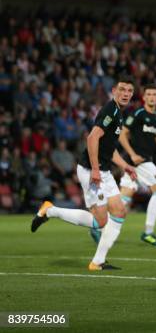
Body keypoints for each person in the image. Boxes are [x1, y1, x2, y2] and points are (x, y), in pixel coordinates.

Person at [31, 75, 137, 271]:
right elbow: (92, 138)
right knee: (99, 221)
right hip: (91, 169)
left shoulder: (118, 113)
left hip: (102, 170)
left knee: (120, 211)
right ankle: (50, 210)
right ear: (114, 90)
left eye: (129, 91)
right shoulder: (109, 111)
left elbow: (109, 147)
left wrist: (125, 165)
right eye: (122, 89)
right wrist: (95, 169)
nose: (126, 94)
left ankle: (97, 262)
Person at [89, 84, 156, 246]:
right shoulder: (138, 113)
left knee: (123, 200)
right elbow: (122, 135)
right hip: (140, 161)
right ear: (144, 97)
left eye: (154, 94)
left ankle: (97, 227)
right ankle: (148, 232)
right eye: (148, 94)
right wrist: (133, 154)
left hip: (141, 162)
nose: (152, 97)